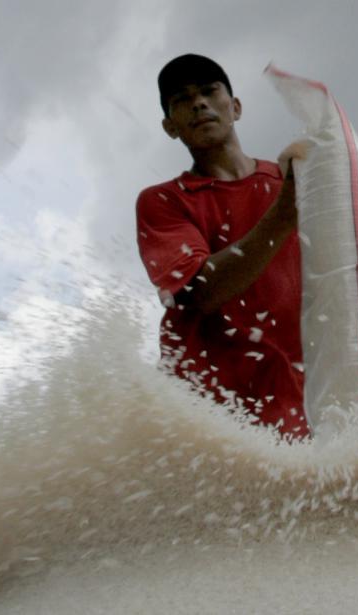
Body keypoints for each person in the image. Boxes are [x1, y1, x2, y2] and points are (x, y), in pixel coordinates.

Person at [135, 54, 310, 440]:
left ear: (236, 107)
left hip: (306, 400)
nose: (198, 103)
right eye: (181, 99)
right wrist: (284, 214)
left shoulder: (293, 181)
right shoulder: (163, 200)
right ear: (170, 127)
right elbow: (199, 292)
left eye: (210, 91)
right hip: (212, 414)